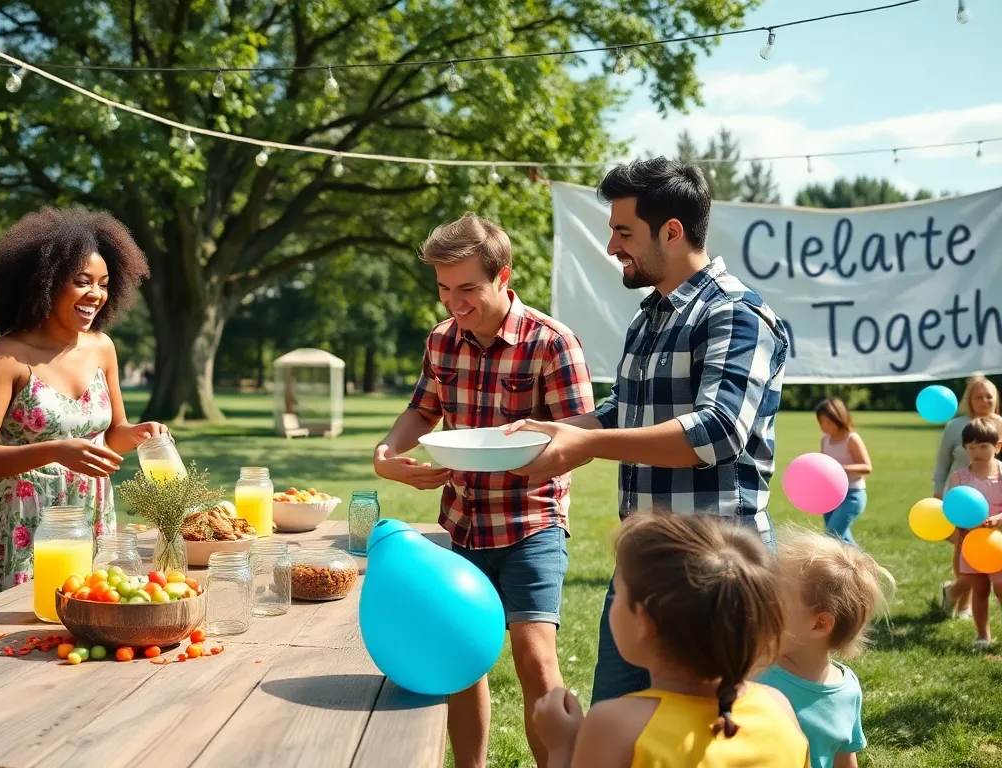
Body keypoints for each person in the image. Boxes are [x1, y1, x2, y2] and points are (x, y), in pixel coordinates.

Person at [505, 157, 789, 705]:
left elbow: (716, 432)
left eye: (623, 231)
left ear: (673, 232)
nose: (612, 246)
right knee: (618, 726)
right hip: (642, 566)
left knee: (708, 745)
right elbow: (626, 409)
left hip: (716, 572)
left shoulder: (736, 314)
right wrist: (558, 434)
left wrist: (585, 443)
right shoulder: (649, 316)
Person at [373, 212, 595, 768]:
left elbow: (584, 436)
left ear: (503, 276)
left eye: (467, 288)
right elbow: (421, 411)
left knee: (535, 658)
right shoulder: (442, 341)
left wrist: (523, 457)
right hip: (464, 523)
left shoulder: (552, 343)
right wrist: (388, 454)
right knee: (461, 656)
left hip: (531, 524)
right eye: (444, 290)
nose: (454, 303)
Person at [0, 206, 161, 604]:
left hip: (91, 515)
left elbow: (113, 435)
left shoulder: (103, 348)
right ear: (45, 282)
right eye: (82, 281)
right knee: (20, 635)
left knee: (93, 624)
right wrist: (54, 451)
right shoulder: (7, 356)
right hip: (25, 523)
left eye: (104, 284)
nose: (96, 295)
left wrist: (137, 435)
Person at [531, 511, 808, 768]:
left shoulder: (614, 726)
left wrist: (562, 746)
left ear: (644, 621)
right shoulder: (779, 708)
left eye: (619, 592)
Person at [756, 529, 893, 768]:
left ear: (819, 624)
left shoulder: (848, 691)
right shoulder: (751, 665)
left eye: (774, 598)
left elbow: (844, 757)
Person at [933, 376, 1002, 619]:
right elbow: (942, 463)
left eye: (989, 396)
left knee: (989, 557)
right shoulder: (956, 426)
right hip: (960, 500)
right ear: (969, 400)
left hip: (996, 502)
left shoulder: (1001, 425)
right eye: (978, 396)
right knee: (965, 555)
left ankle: (951, 593)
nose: (984, 400)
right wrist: (937, 494)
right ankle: (964, 606)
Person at [940, 417, 1002, 648]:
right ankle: (983, 636)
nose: (976, 451)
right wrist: (964, 526)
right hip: (972, 543)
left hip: (999, 541)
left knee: (1001, 587)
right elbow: (953, 510)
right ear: (965, 447)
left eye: (983, 446)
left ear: (997, 446)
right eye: (971, 446)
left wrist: (998, 519)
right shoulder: (961, 478)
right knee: (979, 587)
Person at [815, 398, 873, 546]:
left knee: (831, 536)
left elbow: (867, 467)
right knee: (843, 541)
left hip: (852, 496)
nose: (823, 426)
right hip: (831, 496)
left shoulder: (851, 439)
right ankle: (863, 567)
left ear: (838, 418)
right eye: (820, 422)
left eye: (827, 422)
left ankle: (864, 566)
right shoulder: (825, 440)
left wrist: (840, 468)